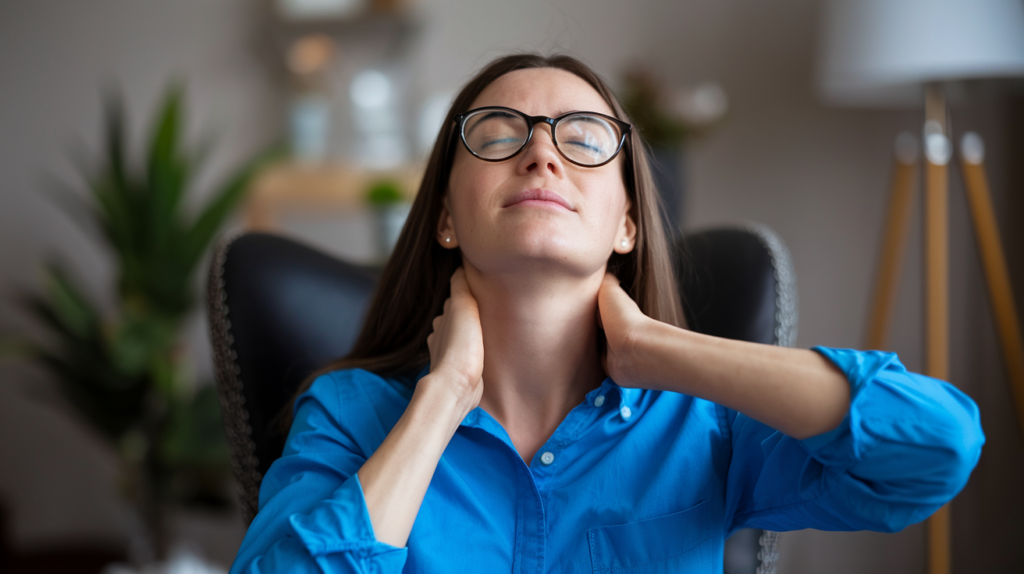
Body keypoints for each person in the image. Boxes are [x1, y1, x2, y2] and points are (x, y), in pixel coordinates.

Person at [229, 54, 984, 573]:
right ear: (446, 218)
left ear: (627, 224)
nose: (542, 155)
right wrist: (443, 398)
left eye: (584, 138)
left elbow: (936, 447)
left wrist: (658, 350)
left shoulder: (704, 427)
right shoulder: (349, 415)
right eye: (498, 134)